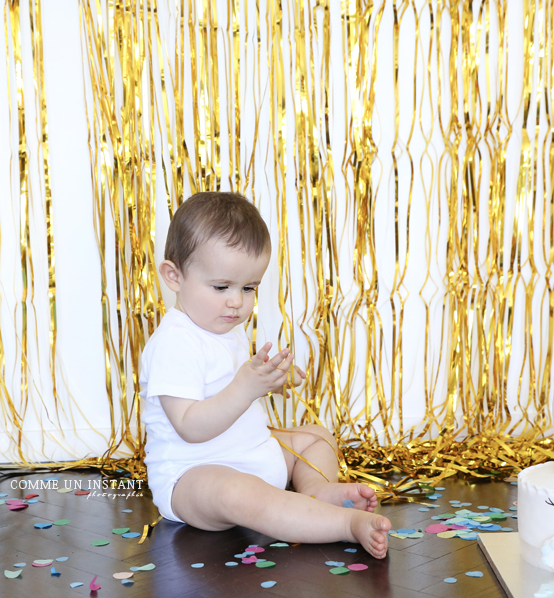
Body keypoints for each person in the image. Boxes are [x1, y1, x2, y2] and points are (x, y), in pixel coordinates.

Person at [140, 191, 391, 558]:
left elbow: (235, 382)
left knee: (316, 436)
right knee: (236, 493)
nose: (237, 302)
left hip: (256, 454)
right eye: (222, 287)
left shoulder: (225, 326)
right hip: (195, 477)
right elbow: (190, 427)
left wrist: (271, 381)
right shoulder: (174, 343)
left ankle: (315, 493)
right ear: (174, 276)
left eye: (248, 288)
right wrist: (246, 387)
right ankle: (343, 525)